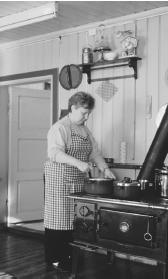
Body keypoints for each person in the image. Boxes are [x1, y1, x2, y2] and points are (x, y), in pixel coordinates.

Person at [43, 91, 115, 271]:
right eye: (84, 112)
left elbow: (94, 152)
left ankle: (69, 259)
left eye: (89, 112)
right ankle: (54, 260)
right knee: (58, 220)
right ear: (73, 108)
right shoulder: (60, 127)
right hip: (59, 181)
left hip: (76, 180)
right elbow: (54, 153)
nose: (87, 116)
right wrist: (78, 163)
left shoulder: (84, 129)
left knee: (75, 220)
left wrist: (105, 169)